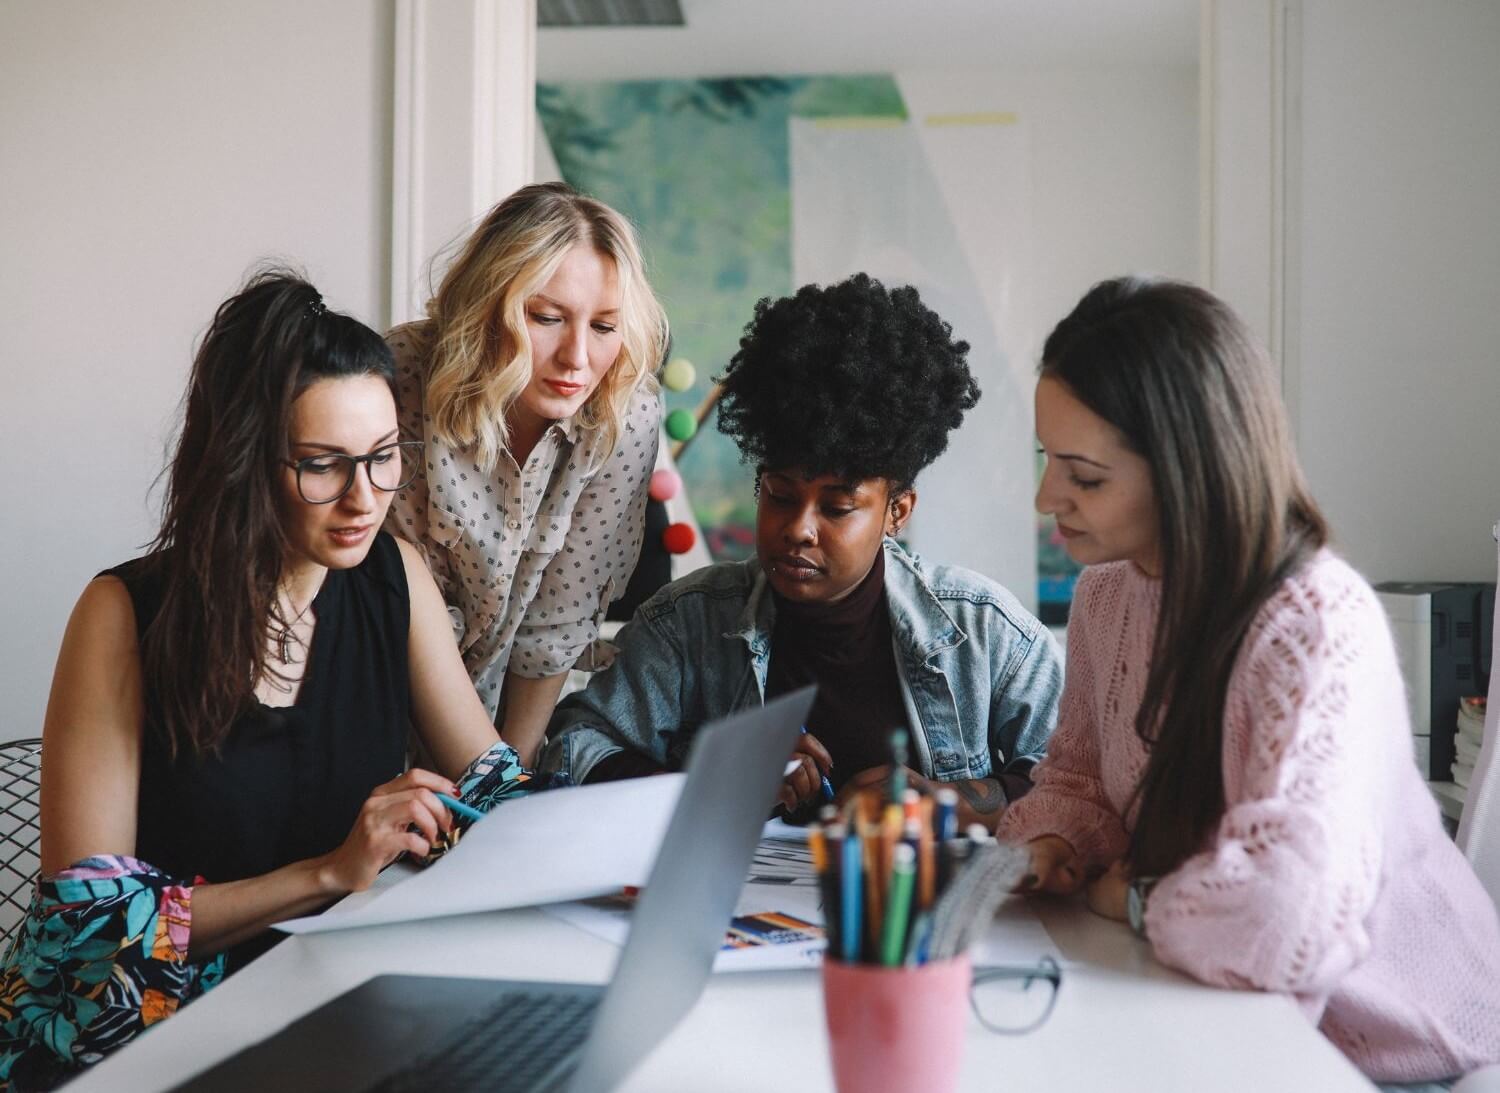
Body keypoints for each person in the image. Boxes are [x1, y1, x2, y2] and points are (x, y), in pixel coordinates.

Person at [0, 271, 540, 1089]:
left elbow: (493, 785)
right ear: (246, 461)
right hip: (142, 1038)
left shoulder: (396, 577)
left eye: (384, 456)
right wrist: (327, 872)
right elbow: (90, 926)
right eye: (323, 465)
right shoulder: (124, 615)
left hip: (324, 1007)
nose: (364, 497)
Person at [1001, 276, 1500, 1089]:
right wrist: (1056, 842)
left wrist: (1132, 899)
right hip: (1219, 1009)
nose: (1046, 497)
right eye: (1046, 460)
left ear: (1183, 471)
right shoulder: (1106, 594)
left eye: (1083, 475)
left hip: (1409, 1054)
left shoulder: (1315, 623)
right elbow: (1080, 780)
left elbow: (1287, 917)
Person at [541, 274, 1062, 830]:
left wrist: (943, 804)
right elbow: (574, 751)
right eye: (779, 495)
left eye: (837, 508)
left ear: (898, 511)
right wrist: (718, 779)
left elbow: (1078, 779)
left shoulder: (984, 630)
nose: (798, 529)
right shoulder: (686, 624)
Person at [385, 182, 668, 767]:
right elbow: (396, 603)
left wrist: (509, 782)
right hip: (372, 707)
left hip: (496, 731)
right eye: (546, 317)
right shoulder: (398, 379)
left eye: (604, 327)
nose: (577, 358)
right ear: (486, 305)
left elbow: (555, 625)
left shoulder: (624, 410)